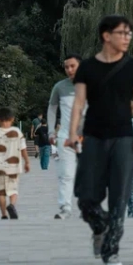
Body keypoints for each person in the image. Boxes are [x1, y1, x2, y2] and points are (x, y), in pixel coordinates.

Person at [66, 15, 133, 265]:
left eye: (129, 34)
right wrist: (72, 133)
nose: (127, 38)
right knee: (85, 197)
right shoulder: (87, 67)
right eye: (122, 33)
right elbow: (79, 104)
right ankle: (100, 227)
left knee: (119, 197)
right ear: (106, 36)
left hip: (123, 137)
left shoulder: (132, 67)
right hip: (93, 137)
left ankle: (111, 251)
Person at [48, 55, 83, 219]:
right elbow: (52, 108)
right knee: (66, 174)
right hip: (65, 137)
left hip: (87, 137)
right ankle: (65, 207)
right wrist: (51, 131)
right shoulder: (60, 87)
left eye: (73, 66)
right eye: (66, 67)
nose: (69, 70)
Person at [0, 107, 29, 219]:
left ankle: (4, 214)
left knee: (1, 193)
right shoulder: (17, 132)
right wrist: (27, 162)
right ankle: (12, 205)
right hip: (14, 168)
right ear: (12, 119)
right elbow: (23, 149)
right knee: (13, 190)